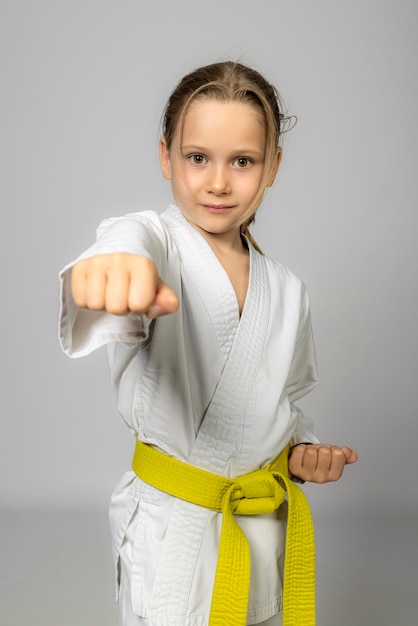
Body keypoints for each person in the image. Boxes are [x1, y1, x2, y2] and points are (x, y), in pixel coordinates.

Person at [59, 61, 358, 626]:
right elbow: (129, 235)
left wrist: (301, 453)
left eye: (242, 161)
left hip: (261, 525)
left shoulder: (288, 290)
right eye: (198, 157)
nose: (218, 181)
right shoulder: (156, 250)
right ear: (166, 155)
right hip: (176, 527)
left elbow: (282, 403)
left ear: (272, 166)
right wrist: (116, 267)